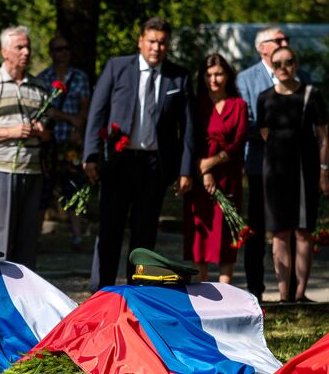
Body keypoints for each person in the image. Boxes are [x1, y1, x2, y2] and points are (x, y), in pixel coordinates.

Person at [82, 17, 194, 289]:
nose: (157, 47)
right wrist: (91, 154)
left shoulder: (178, 76)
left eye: (162, 42)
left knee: (144, 236)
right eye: (152, 41)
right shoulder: (117, 67)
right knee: (109, 231)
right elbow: (97, 112)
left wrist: (185, 169)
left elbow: (188, 126)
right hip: (118, 162)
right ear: (141, 41)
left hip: (154, 165)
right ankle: (102, 292)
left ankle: (137, 294)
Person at [0, 26, 52, 267]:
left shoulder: (39, 87)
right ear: (5, 52)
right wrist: (10, 132)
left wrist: (42, 132)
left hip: (32, 171)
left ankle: (25, 298)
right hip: (1, 170)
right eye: (19, 47)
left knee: (28, 241)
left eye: (28, 47)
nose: (26, 52)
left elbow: (48, 134)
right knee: (2, 241)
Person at [258, 46, 329, 302]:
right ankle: (283, 294)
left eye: (288, 62)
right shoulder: (264, 97)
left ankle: (300, 293)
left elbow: (323, 137)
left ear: (296, 64)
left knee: (302, 231)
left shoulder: (311, 95)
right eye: (277, 64)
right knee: (279, 232)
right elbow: (264, 132)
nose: (283, 68)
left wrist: (323, 171)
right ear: (272, 67)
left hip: (304, 169)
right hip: (275, 171)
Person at [234, 26, 290, 297]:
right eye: (278, 40)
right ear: (262, 48)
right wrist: (280, 134)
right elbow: (247, 121)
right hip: (259, 162)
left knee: (287, 227)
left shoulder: (296, 73)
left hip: (291, 164)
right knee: (256, 229)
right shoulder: (246, 79)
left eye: (285, 39)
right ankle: (255, 289)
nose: (285, 43)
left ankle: (289, 290)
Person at [183, 53, 247, 283]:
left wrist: (214, 162)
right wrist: (204, 171)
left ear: (228, 75)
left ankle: (225, 291)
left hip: (228, 177)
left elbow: (239, 140)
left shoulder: (238, 105)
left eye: (219, 74)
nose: (214, 79)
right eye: (209, 75)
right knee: (200, 236)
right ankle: (201, 293)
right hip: (199, 180)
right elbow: (190, 139)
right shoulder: (196, 104)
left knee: (226, 235)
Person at [37, 34, 91, 249]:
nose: (64, 52)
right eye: (59, 49)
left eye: (67, 48)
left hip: (72, 143)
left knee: (73, 188)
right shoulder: (43, 78)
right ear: (51, 53)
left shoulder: (79, 77)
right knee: (44, 190)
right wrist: (70, 118)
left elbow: (86, 105)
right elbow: (44, 110)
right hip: (50, 142)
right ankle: (36, 237)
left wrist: (79, 128)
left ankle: (77, 236)